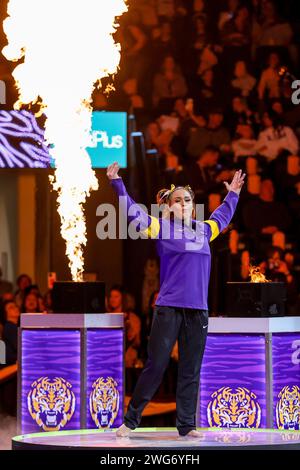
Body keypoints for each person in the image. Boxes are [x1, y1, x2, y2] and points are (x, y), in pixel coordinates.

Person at [106, 161, 245, 437]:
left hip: (198, 311)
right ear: (169, 206)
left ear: (193, 206)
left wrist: (233, 195)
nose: (183, 203)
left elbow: (222, 217)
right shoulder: (160, 227)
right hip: (169, 308)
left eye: (187, 200)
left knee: (191, 369)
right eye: (178, 200)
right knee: (156, 365)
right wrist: (117, 184)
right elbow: (134, 214)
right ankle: (131, 420)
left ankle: (186, 425)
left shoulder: (204, 230)